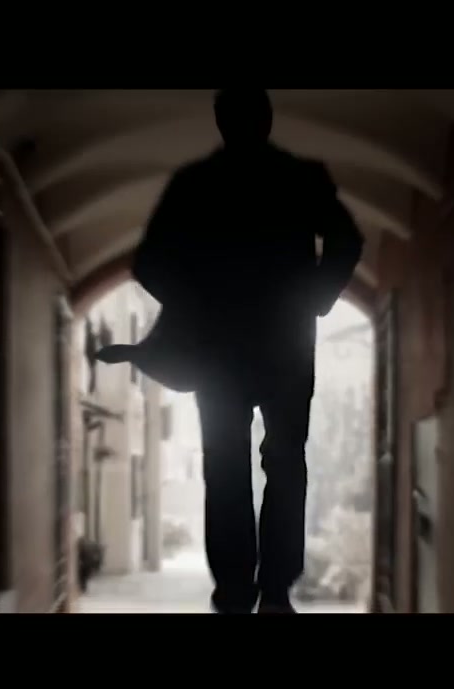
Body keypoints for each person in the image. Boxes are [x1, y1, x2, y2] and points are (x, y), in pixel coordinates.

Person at [97, 89, 363, 613]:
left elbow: (150, 263)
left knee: (226, 465)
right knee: (284, 463)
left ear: (221, 122)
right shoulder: (299, 176)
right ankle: (276, 588)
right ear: (267, 119)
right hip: (285, 345)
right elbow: (346, 240)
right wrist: (313, 298)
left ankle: (237, 588)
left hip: (219, 350)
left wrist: (197, 302)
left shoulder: (196, 183)